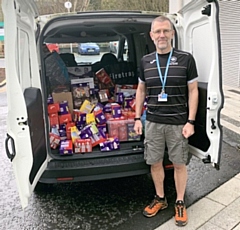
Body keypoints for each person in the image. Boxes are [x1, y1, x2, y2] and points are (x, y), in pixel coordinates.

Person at [134, 15, 198, 227]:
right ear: (152, 36)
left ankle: (179, 201)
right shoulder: (146, 61)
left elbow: (193, 91)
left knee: (179, 163)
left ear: (172, 33)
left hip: (178, 122)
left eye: (166, 31)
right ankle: (160, 198)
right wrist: (137, 117)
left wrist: (191, 121)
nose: (162, 35)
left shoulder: (186, 59)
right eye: (158, 32)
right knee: (154, 162)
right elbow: (141, 90)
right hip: (152, 122)